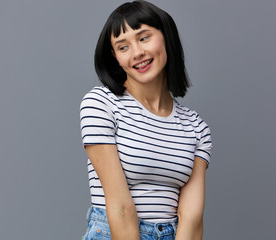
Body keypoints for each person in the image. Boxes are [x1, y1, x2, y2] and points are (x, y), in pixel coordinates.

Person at [79, 1, 212, 239]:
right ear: (115, 57)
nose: (137, 53)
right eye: (123, 46)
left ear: (165, 37)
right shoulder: (101, 103)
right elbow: (120, 206)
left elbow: (191, 218)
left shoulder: (196, 127)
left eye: (143, 38)